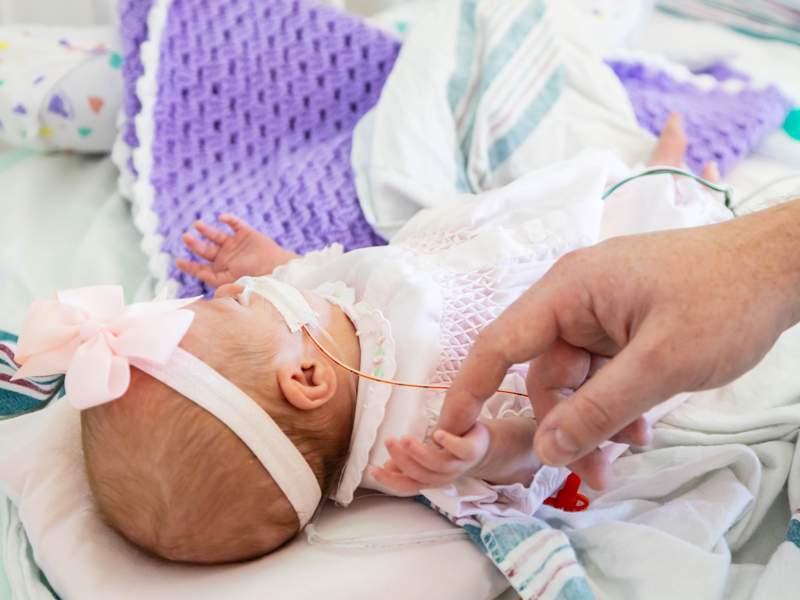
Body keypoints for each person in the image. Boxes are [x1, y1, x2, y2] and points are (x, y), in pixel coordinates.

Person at [14, 119, 724, 564]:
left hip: (497, 244)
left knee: (587, 186)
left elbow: (322, 277)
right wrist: (482, 452)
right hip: (593, 299)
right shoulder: (411, 445)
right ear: (306, 380)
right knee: (663, 231)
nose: (229, 293)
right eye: (230, 307)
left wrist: (273, 266)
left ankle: (664, 178)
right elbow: (547, 433)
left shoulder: (332, 326)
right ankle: (693, 190)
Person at [433, 182, 800, 491]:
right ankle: (688, 172)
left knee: (650, 190)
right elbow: (540, 442)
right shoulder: (392, 442)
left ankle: (685, 170)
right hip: (622, 295)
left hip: (591, 266)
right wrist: (485, 449)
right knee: (671, 197)